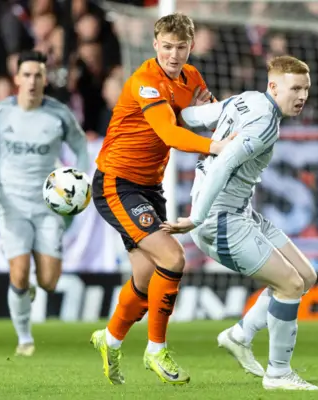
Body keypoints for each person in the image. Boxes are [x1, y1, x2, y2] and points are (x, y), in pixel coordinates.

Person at [89, 13, 234, 385]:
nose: (173, 54)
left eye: (181, 47)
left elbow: (206, 116)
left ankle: (109, 338)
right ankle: (156, 349)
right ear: (155, 45)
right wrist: (217, 146)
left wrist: (223, 121)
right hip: (117, 183)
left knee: (145, 277)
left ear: (191, 47)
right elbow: (170, 132)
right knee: (173, 256)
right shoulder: (145, 82)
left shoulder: (192, 79)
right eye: (167, 47)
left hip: (150, 187)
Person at [161, 55, 318, 391]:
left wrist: (177, 111)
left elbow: (197, 116)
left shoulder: (247, 98)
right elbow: (222, 163)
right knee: (290, 285)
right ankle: (278, 374)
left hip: (240, 212)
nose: (302, 96)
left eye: (306, 88)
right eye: (295, 88)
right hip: (219, 221)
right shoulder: (265, 123)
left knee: (306, 276)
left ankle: (240, 335)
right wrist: (196, 218)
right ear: (273, 87)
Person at [0, 50, 89, 357]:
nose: (32, 81)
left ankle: (31, 287)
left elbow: (81, 147)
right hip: (10, 203)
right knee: (18, 272)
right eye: (27, 75)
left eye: (38, 75)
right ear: (16, 78)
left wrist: (79, 181)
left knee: (48, 282)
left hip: (49, 205)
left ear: (45, 79)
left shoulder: (59, 114)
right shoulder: (0, 113)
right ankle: (24, 339)